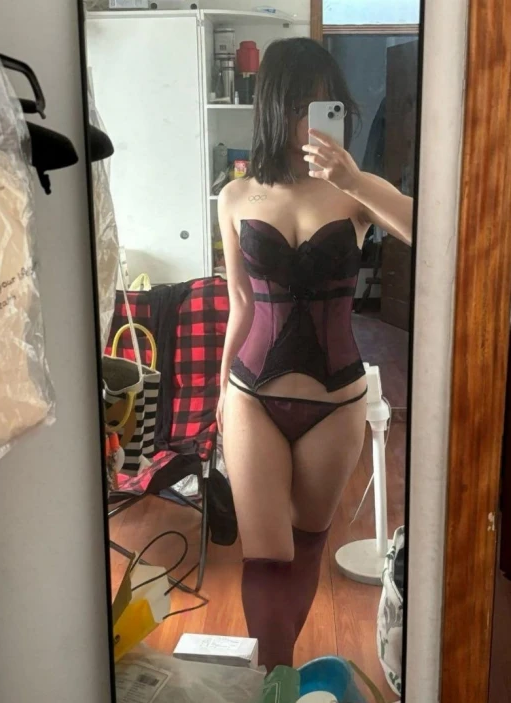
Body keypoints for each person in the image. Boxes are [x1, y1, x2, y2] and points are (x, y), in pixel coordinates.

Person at [216, 37, 413, 672]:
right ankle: (273, 680)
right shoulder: (235, 198)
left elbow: (434, 231)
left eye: (328, 104)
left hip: (337, 402)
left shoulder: (355, 190)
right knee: (265, 557)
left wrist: (354, 180)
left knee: (305, 547)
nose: (317, 118)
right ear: (276, 107)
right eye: (304, 104)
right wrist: (219, 392)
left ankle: (281, 671)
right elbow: (240, 303)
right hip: (252, 396)